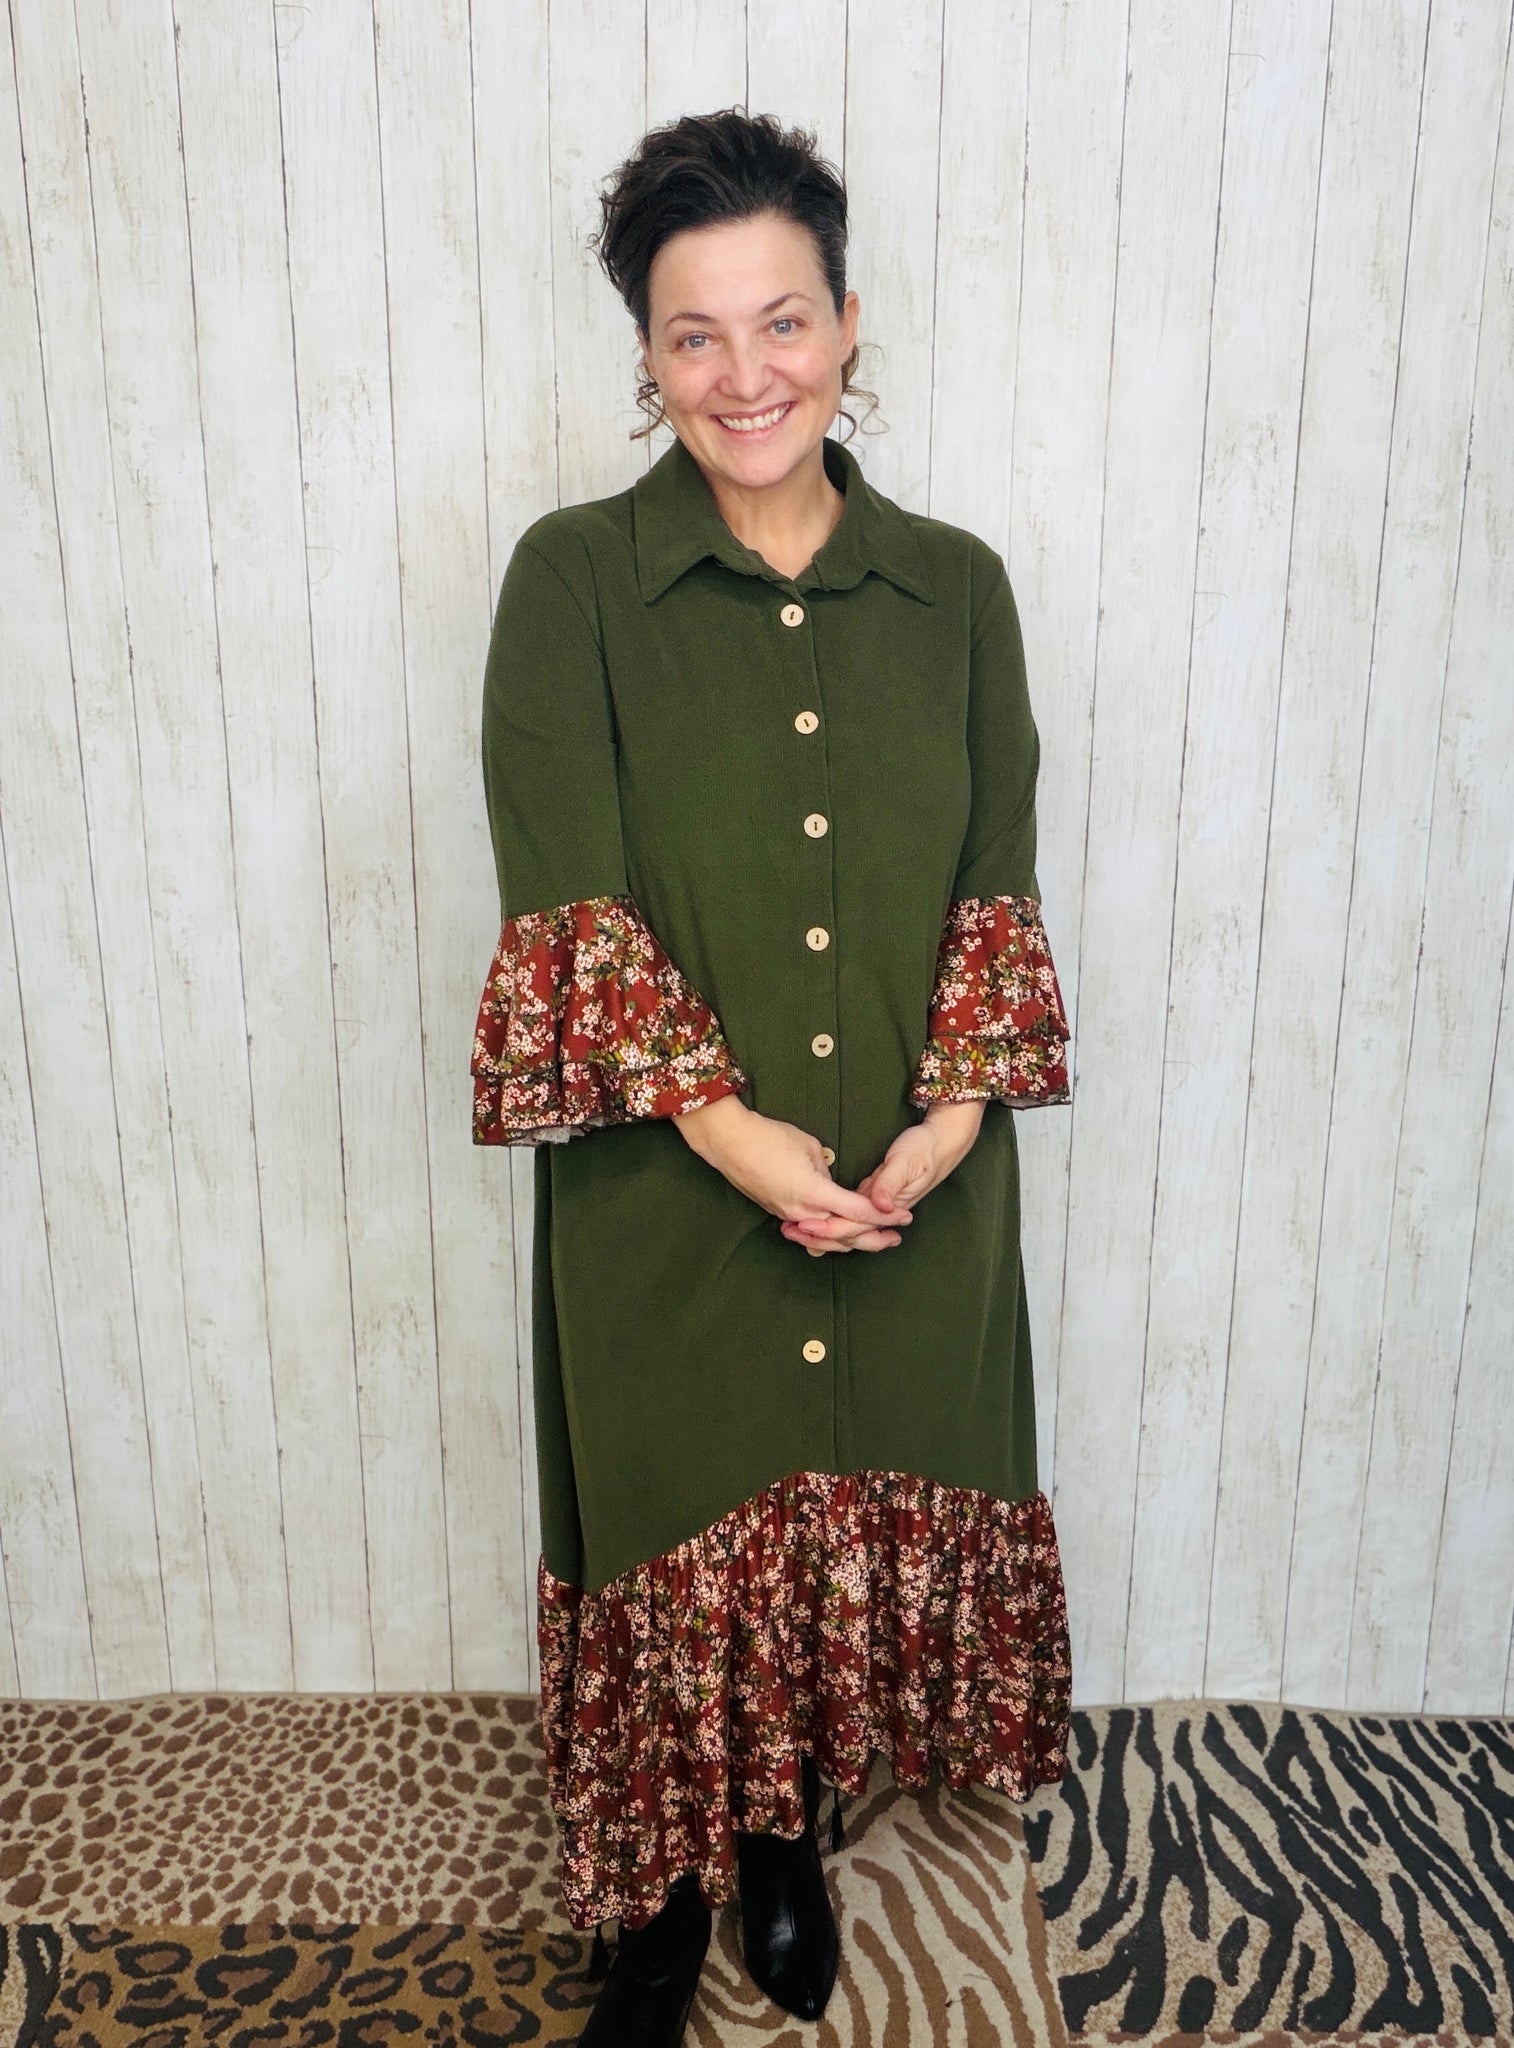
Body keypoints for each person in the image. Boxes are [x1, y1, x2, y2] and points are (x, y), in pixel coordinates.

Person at [471, 108, 1075, 2048]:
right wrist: (737, 1145)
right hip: (666, 1186)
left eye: (782, 320)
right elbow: (569, 906)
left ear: (847, 321)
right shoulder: (571, 583)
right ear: (647, 357)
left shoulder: (956, 592)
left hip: (909, 1180)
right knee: (681, 1519)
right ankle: (659, 1899)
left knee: (830, 1523)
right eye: (694, 334)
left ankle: (779, 1833)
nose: (746, 375)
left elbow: (994, 880)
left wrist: (949, 1122)